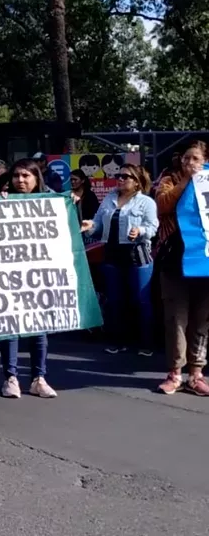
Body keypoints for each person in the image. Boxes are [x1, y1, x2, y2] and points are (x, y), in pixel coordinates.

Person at [82, 164, 158, 356]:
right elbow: (98, 223)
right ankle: (118, 340)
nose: (120, 179)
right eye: (119, 175)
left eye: (126, 176)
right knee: (115, 300)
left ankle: (146, 343)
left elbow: (153, 227)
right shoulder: (109, 198)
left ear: (137, 182)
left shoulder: (146, 202)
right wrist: (90, 225)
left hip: (137, 255)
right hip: (112, 255)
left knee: (141, 300)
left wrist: (140, 231)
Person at [0, 158, 58, 399]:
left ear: (37, 178)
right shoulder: (1, 200)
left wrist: (72, 204)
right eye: (16, 176)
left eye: (26, 176)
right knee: (9, 327)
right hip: (9, 274)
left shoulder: (51, 201)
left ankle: (38, 378)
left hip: (39, 275)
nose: (20, 181)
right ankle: (10, 378)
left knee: (38, 328)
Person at [154, 141, 209, 396]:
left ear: (205, 160)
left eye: (195, 159)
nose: (190, 163)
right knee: (176, 317)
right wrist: (188, 182)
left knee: (202, 319)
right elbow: (162, 205)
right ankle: (175, 373)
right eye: (186, 158)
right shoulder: (169, 179)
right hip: (175, 259)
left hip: (204, 261)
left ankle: (196, 373)